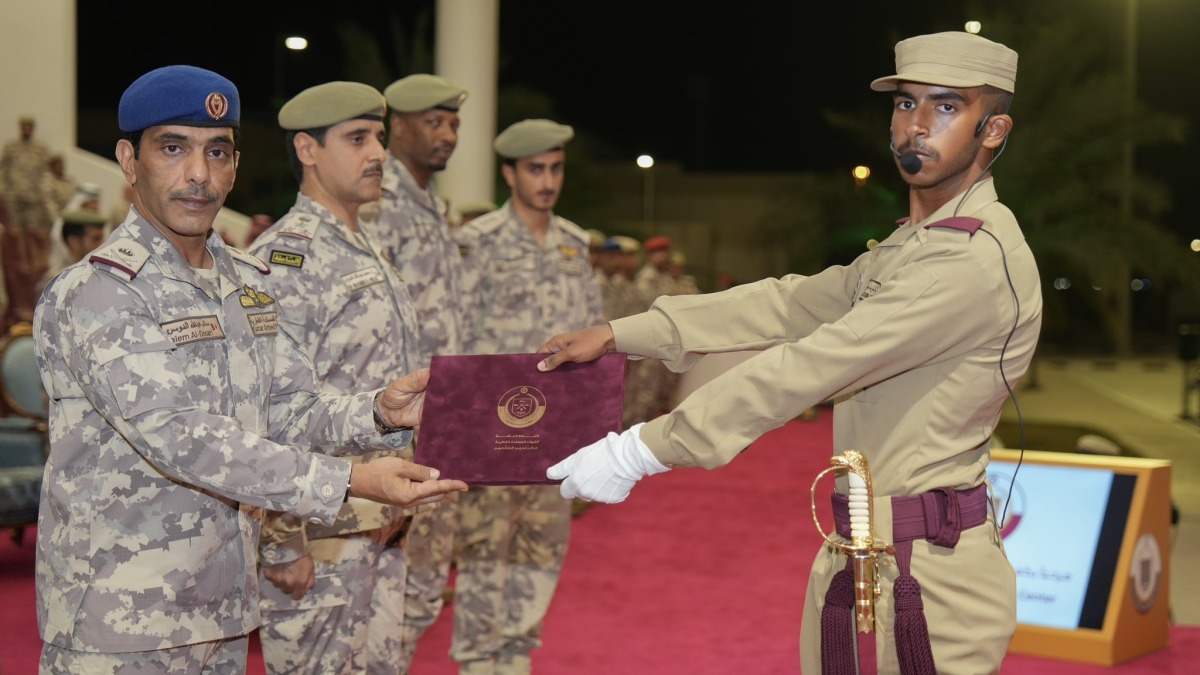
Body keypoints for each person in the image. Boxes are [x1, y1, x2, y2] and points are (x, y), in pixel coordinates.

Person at [536, 31, 1042, 675]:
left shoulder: (968, 261)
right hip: (863, 550)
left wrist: (639, 450)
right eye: (905, 103)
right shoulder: (916, 243)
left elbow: (813, 363)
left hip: (929, 578)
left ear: (993, 129)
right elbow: (788, 304)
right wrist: (620, 334)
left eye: (946, 107)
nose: (915, 125)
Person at [33, 64, 468, 674]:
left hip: (223, 612)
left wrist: (377, 411)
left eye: (217, 152)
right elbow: (182, 437)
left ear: (235, 165)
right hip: (122, 620)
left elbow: (290, 411)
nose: (198, 175)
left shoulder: (247, 283)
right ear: (130, 161)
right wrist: (350, 481)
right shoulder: (101, 292)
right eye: (173, 149)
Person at [244, 81, 424, 675]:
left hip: (381, 522)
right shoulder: (286, 259)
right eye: (357, 138)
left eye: (378, 136)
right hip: (320, 534)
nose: (378, 152)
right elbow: (265, 409)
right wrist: (281, 539)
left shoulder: (364, 247)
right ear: (307, 149)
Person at [453, 119, 605, 675]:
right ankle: (475, 662)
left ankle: (516, 661)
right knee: (483, 553)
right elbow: (456, 339)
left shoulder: (574, 244)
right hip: (492, 435)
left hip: (556, 436)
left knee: (542, 552)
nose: (547, 181)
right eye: (535, 170)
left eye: (556, 169)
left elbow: (593, 338)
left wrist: (594, 432)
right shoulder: (476, 242)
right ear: (509, 173)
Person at [361, 72, 471, 671]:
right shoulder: (377, 205)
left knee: (422, 591)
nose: (448, 134)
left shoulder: (433, 207)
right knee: (378, 597)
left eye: (453, 123)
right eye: (434, 122)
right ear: (395, 126)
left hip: (442, 428)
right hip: (392, 430)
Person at [36, 207, 107, 295]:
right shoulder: (56, 283)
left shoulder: (100, 274)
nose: (102, 245)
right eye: (96, 239)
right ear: (74, 242)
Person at [633, 234, 675, 303]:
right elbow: (644, 303)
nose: (664, 257)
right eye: (660, 254)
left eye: (666, 253)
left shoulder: (665, 274)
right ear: (651, 256)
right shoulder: (646, 277)